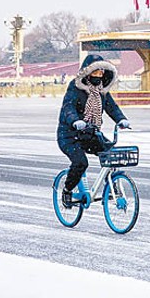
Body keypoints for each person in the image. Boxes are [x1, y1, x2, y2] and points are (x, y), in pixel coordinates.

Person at [57, 54, 130, 207]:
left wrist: (121, 119)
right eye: (95, 72)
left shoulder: (102, 91)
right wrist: (75, 121)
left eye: (101, 73)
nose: (98, 76)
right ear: (87, 73)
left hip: (91, 134)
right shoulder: (75, 88)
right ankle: (67, 190)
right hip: (70, 136)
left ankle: (112, 186)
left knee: (112, 154)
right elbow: (68, 108)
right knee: (81, 163)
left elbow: (112, 107)